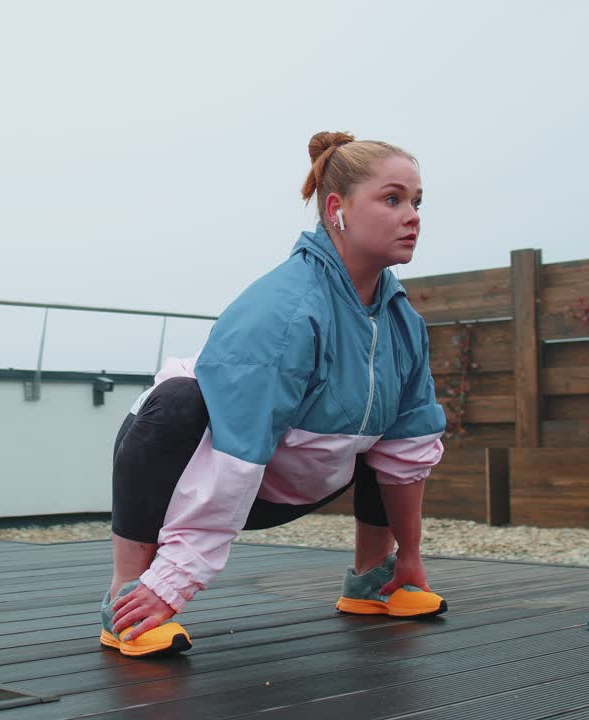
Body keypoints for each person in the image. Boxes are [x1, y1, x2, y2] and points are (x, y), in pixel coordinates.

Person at [99, 131, 447, 658]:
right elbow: (234, 458)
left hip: (292, 482)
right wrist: (172, 584)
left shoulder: (402, 324)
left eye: (417, 202)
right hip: (201, 470)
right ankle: (126, 599)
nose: (413, 215)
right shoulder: (285, 311)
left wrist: (411, 559)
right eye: (393, 199)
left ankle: (374, 580)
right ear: (338, 210)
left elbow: (408, 450)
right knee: (174, 403)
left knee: (392, 432)